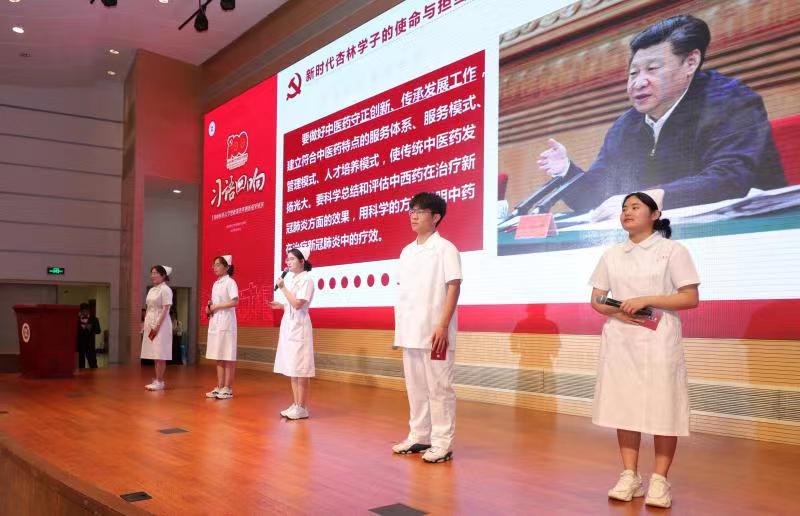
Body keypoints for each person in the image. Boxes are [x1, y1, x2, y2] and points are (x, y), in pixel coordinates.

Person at [537, 14, 785, 219]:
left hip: (752, 230)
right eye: (633, 73)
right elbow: (597, 197)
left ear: (690, 62)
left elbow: (729, 180)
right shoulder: (626, 125)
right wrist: (566, 171)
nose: (638, 82)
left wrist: (646, 200)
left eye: (652, 69)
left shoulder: (731, 100)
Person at [589, 191, 700, 508]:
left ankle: (660, 480)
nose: (627, 212)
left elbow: (690, 297)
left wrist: (646, 300)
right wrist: (618, 310)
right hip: (621, 337)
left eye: (635, 207)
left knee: (664, 407)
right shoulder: (612, 254)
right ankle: (630, 475)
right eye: (624, 208)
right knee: (625, 406)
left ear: (655, 214)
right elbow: (597, 299)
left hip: (659, 337)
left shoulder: (672, 251)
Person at [392, 192, 462, 464]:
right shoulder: (407, 251)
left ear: (436, 217)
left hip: (435, 333)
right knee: (416, 388)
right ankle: (419, 435)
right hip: (410, 332)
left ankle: (443, 443)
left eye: (420, 211)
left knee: (439, 389)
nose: (413, 215)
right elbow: (406, 295)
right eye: (411, 210)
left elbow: (453, 286)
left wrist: (442, 325)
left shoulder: (446, 249)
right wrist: (400, 330)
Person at [270, 247, 315, 420]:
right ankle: (296, 404)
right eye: (287, 259)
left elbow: (298, 304)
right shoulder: (294, 279)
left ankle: (302, 407)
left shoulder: (307, 279)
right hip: (290, 327)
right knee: (293, 367)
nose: (288, 262)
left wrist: (282, 288)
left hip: (300, 328)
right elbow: (291, 304)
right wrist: (281, 306)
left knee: (301, 369)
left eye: (292, 259)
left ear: (302, 261)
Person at [205, 255, 239, 400]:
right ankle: (219, 386)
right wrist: (209, 308)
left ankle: (228, 388)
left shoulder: (230, 282)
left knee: (227, 355)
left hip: (227, 321)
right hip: (216, 321)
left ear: (227, 267)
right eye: (214, 265)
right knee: (218, 355)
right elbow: (214, 303)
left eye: (218, 264)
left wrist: (217, 306)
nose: (215, 267)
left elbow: (235, 301)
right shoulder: (216, 283)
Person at [141, 265, 173, 391]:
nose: (152, 275)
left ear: (163, 275)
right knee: (155, 353)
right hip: (150, 323)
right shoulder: (152, 290)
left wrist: (157, 325)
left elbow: (166, 309)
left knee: (160, 353)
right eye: (152, 273)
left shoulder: (165, 289)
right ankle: (157, 379)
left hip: (161, 324)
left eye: (155, 273)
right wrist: (145, 324)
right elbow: (148, 308)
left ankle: (160, 381)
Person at [76, 303, 101, 369]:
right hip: (80, 345)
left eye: (86, 311)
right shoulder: (77, 319)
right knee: (81, 365)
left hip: (90, 345)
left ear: (88, 311)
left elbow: (98, 331)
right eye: (83, 311)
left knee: (93, 364)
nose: (85, 313)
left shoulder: (94, 319)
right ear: (80, 311)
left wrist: (90, 327)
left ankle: (94, 375)